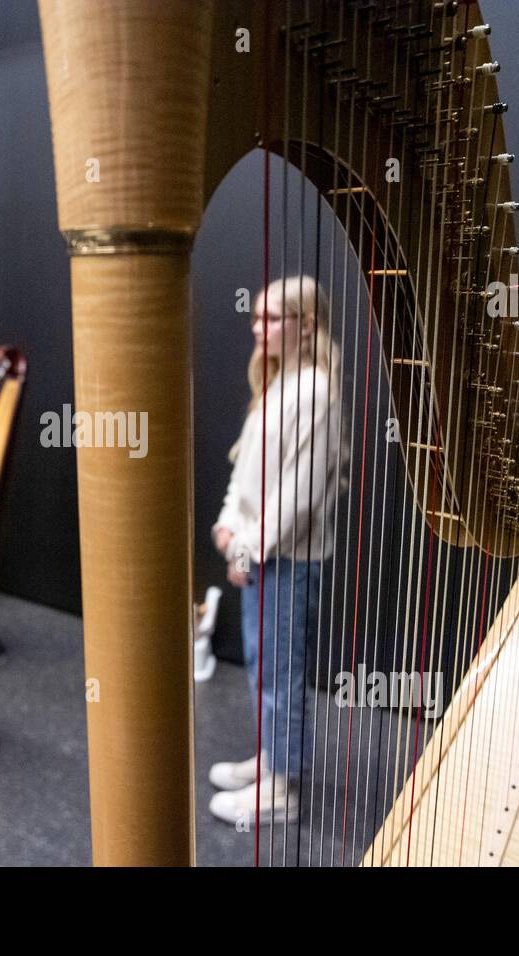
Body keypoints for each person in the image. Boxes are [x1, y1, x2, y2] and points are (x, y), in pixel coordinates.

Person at [207, 274, 347, 825]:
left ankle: (283, 788)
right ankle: (272, 761)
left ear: (306, 325)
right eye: (257, 318)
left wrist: (245, 550)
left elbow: (300, 497)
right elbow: (247, 475)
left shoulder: (315, 391)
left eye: (272, 318)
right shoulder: (278, 384)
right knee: (263, 670)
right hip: (262, 557)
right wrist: (227, 524)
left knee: (279, 675)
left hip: (285, 561)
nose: (257, 327)